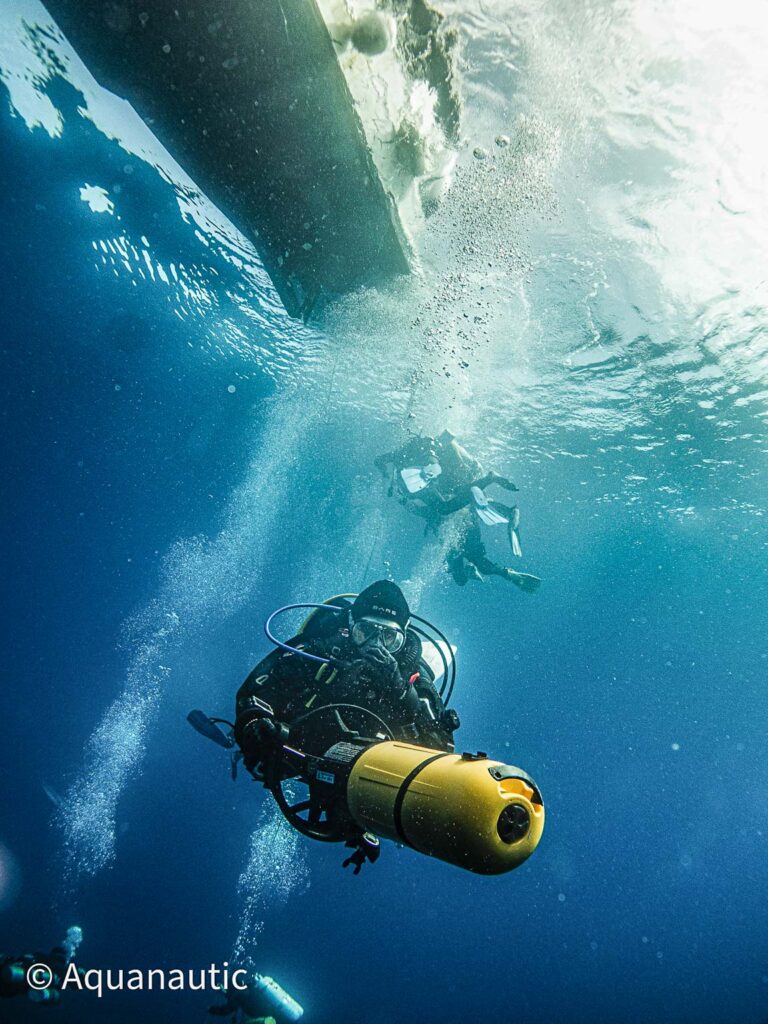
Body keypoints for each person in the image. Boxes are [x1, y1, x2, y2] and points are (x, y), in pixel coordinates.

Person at [234, 580, 459, 778]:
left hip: (375, 769)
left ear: (404, 635)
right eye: (366, 631)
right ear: (350, 625)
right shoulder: (318, 649)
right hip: (301, 747)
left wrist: (401, 689)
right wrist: (255, 724)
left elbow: (440, 747)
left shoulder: (411, 671)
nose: (376, 644)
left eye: (389, 637)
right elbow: (255, 692)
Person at [375, 430, 541, 591]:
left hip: (448, 489)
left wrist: (427, 467)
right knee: (461, 509)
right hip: (454, 502)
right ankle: (503, 506)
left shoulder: (409, 456)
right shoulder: (401, 460)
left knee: (452, 506)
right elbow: (380, 461)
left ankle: (490, 484)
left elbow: (420, 460)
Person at [208, 969, 302, 1023]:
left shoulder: (239, 994)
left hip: (268, 1020)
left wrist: (210, 1009)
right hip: (275, 1016)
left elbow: (225, 1010)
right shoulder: (248, 989)